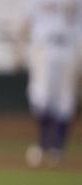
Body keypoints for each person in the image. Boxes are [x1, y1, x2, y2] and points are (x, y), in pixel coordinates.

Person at [20, 0, 82, 167]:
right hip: (44, 46)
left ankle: (57, 149)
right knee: (39, 97)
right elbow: (26, 20)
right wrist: (19, 48)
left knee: (65, 100)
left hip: (70, 47)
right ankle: (43, 143)